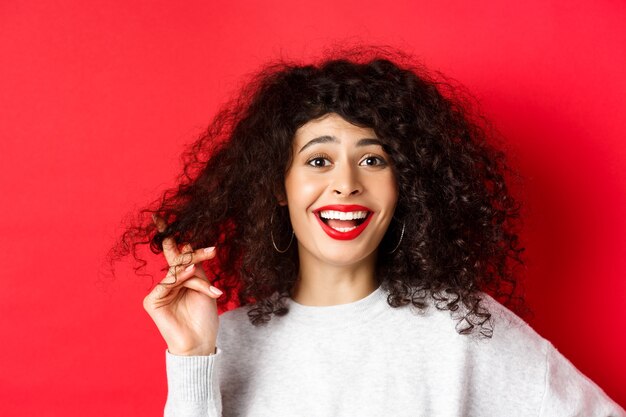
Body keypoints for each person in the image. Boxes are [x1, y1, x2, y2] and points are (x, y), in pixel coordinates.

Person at [114, 48, 625, 416]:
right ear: (277, 186)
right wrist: (193, 358)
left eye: (372, 159)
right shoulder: (225, 342)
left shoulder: (463, 328)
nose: (346, 185)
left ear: (403, 186)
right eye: (318, 160)